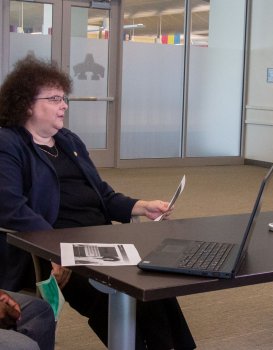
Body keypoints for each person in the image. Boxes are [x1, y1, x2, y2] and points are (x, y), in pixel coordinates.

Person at [0, 55, 196, 349]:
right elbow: (10, 207)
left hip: (102, 239)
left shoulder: (69, 141)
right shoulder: (9, 143)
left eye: (64, 98)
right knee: (120, 292)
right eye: (54, 99)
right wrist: (53, 248)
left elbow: (101, 194)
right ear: (27, 103)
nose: (64, 105)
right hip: (57, 247)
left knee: (155, 283)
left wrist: (140, 205)